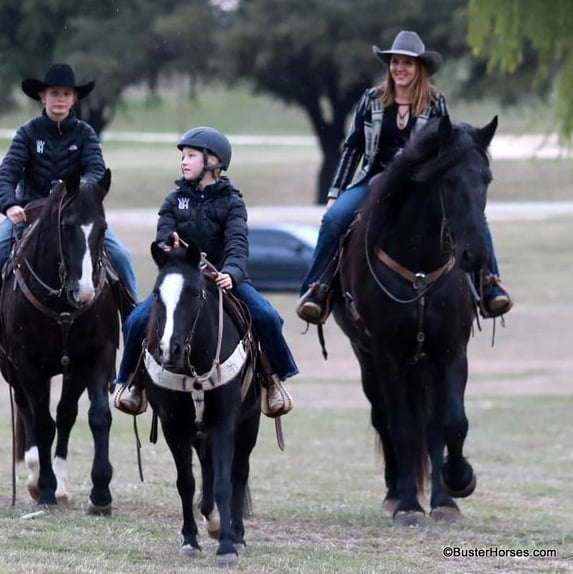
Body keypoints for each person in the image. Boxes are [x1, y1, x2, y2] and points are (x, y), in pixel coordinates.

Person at [295, 30, 513, 325]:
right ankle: (316, 289)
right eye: (395, 62)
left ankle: (489, 284)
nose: (400, 69)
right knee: (335, 219)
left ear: (419, 68)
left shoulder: (436, 103)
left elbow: (444, 148)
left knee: (474, 215)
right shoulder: (371, 100)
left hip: (418, 184)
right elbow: (354, 147)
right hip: (372, 179)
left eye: (407, 64)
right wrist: (335, 193)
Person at [114, 126, 297, 417]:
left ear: (213, 161)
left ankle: (273, 379)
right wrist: (167, 246)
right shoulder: (173, 201)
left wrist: (232, 273)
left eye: (190, 156)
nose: (183, 162)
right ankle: (132, 382)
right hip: (183, 281)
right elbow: (163, 235)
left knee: (267, 316)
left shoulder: (233, 202)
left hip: (224, 280)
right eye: (182, 157)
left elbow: (238, 244)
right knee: (136, 320)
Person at [0, 63, 138, 354]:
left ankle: (134, 321)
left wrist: (80, 193)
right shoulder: (28, 134)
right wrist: (10, 204)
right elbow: (6, 175)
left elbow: (96, 170)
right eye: (54, 93)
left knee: (120, 254)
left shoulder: (85, 134)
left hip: (76, 214)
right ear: (42, 97)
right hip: (30, 212)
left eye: (66, 94)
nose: (60, 99)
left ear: (74, 99)